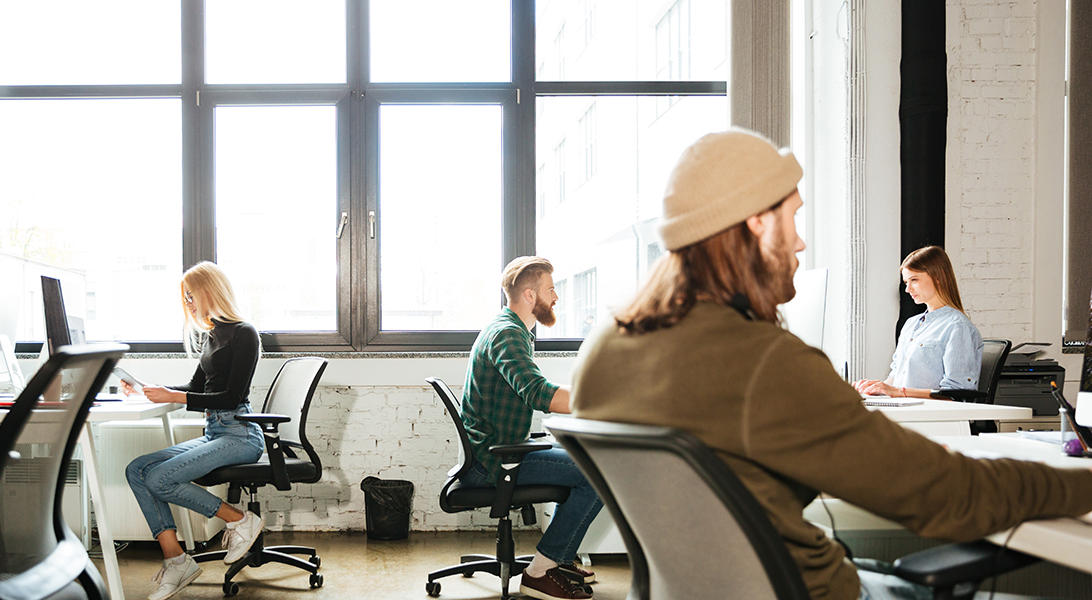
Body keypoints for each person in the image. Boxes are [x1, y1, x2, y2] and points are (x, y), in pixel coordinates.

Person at [569, 128, 1092, 600]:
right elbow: (943, 494)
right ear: (754, 224)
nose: (799, 241)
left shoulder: (603, 351)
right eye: (791, 217)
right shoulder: (763, 361)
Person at [460, 256, 604, 600]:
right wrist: (607, 398)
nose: (556, 297)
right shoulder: (508, 334)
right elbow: (539, 393)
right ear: (529, 295)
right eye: (551, 289)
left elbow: (535, 388)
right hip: (496, 461)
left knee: (584, 458)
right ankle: (540, 571)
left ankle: (558, 558)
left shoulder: (510, 328)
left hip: (500, 450)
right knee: (599, 473)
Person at [124, 261, 266, 600]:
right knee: (138, 469)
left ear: (209, 290)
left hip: (240, 433)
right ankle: (177, 560)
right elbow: (194, 387)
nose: (189, 304)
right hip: (216, 432)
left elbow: (231, 395)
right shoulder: (212, 336)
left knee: (160, 479)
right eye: (184, 298)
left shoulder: (244, 333)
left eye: (191, 295)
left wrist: (174, 396)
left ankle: (239, 520)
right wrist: (153, 389)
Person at [852, 246, 982, 399]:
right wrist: (874, 389)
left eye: (914, 280)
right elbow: (897, 377)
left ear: (938, 277)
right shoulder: (911, 324)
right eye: (906, 282)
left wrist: (898, 392)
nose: (907, 289)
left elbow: (957, 392)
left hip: (933, 417)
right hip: (907, 411)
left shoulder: (957, 327)